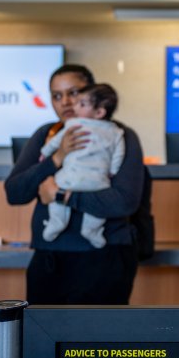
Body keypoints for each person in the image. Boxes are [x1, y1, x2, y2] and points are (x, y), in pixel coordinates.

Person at [5, 65, 144, 305]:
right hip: (49, 259)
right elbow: (15, 193)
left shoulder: (119, 135)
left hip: (105, 259)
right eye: (57, 96)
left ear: (91, 92)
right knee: (42, 341)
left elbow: (124, 202)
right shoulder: (46, 134)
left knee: (98, 342)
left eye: (74, 92)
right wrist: (56, 158)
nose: (66, 102)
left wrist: (61, 195)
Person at [40, 84, 125, 248]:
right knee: (97, 209)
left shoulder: (75, 124)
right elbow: (118, 154)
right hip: (97, 182)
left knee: (56, 198)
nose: (74, 106)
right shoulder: (116, 132)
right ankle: (92, 231)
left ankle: (56, 223)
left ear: (99, 112)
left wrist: (45, 152)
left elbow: (57, 142)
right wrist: (112, 171)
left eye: (82, 104)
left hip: (69, 178)